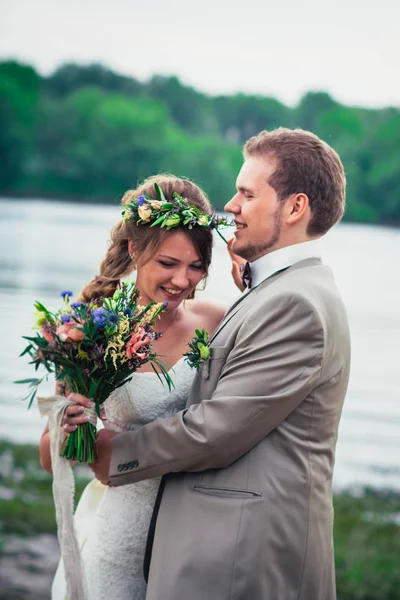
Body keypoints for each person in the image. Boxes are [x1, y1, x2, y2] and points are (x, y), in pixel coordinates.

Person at [70, 127, 351, 600]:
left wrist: (110, 453)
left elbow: (213, 431)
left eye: (246, 194)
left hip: (241, 554)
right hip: (189, 541)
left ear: (295, 207)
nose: (232, 206)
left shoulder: (294, 303)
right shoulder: (278, 290)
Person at [39, 174, 228, 600]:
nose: (183, 280)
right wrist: (69, 426)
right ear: (133, 249)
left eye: (196, 265)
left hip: (192, 531)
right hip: (119, 531)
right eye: (168, 263)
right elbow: (52, 459)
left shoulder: (216, 320)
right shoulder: (87, 331)